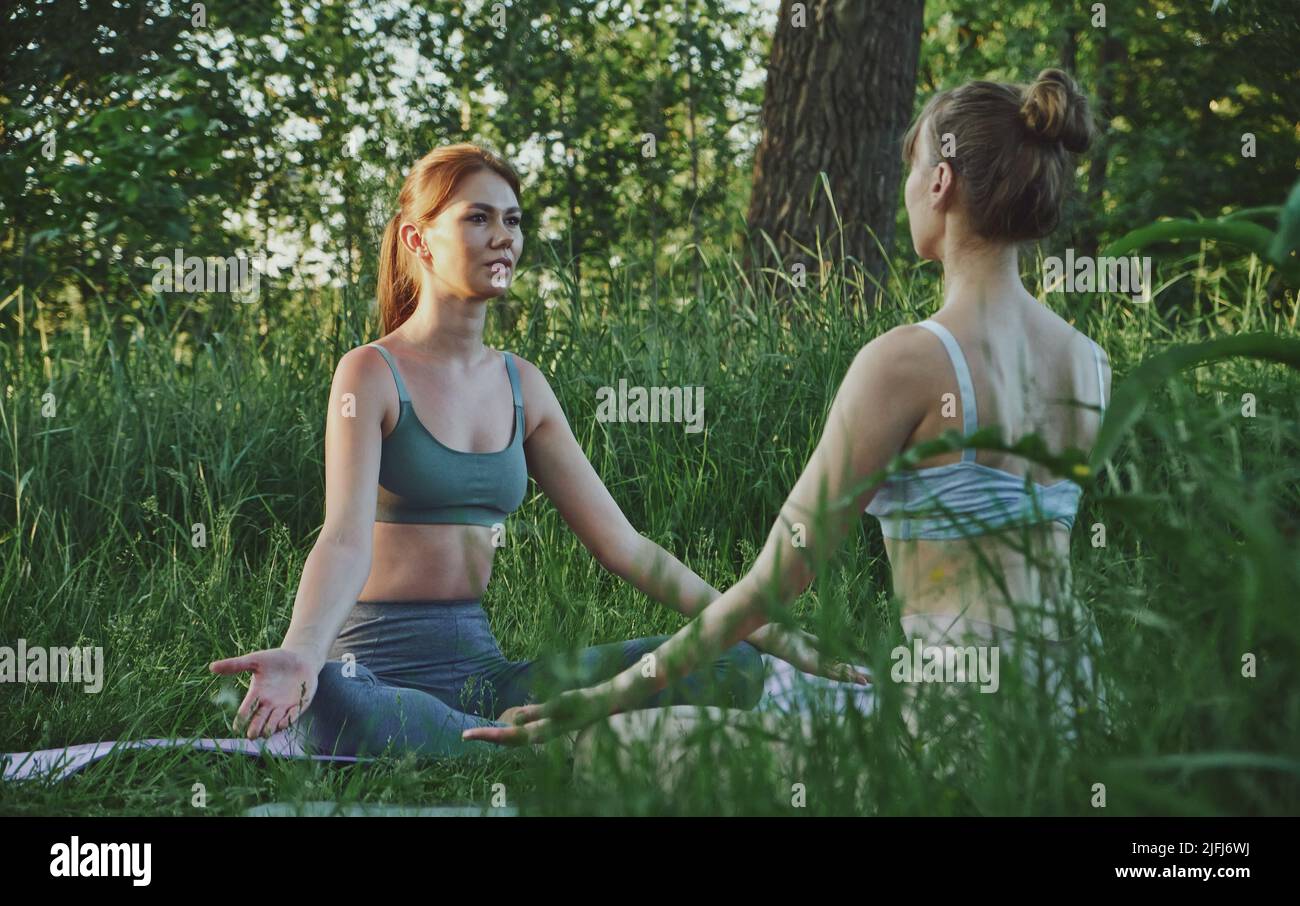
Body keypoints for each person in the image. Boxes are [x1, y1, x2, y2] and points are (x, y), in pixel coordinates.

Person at [463, 69, 1113, 773]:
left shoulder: (908, 361)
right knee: (784, 695)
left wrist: (603, 698)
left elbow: (774, 584)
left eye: (914, 164)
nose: (907, 186)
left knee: (600, 747)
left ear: (941, 182)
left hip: (956, 736)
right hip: (1077, 715)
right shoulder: (1090, 363)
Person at [208, 143, 863, 760]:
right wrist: (301, 653)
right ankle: (543, 742)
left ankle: (515, 737)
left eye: (514, 221)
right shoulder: (371, 373)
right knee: (341, 702)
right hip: (370, 669)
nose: (505, 237)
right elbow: (344, 539)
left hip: (486, 675)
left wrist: (774, 634)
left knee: (736, 662)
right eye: (479, 218)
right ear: (418, 240)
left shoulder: (525, 386)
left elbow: (626, 549)